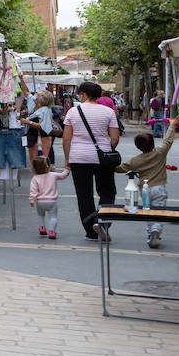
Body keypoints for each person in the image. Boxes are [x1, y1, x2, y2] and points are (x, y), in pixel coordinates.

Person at [62, 82, 121, 240]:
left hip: (78, 157)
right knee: (107, 191)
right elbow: (115, 139)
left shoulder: (73, 112)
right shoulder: (108, 112)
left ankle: (91, 230)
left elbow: (66, 138)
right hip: (103, 157)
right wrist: (105, 147)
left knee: (84, 195)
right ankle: (102, 222)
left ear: (82, 94)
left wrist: (68, 160)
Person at [115, 119, 178, 249]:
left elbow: (121, 168)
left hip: (145, 190)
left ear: (138, 147)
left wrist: (110, 165)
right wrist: (172, 126)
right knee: (159, 212)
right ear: (153, 143)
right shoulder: (160, 152)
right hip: (159, 188)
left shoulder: (136, 160)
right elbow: (168, 140)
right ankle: (156, 231)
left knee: (147, 211)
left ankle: (150, 234)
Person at [27, 156, 70, 240]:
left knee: (40, 215)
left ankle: (42, 228)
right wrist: (67, 169)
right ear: (48, 166)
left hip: (40, 202)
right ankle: (52, 232)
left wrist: (32, 200)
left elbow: (33, 191)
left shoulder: (35, 178)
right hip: (52, 201)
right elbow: (63, 175)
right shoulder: (53, 175)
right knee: (53, 217)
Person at [23, 90, 58, 164]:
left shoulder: (45, 110)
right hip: (33, 136)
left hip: (43, 137)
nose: (35, 95)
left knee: (41, 162)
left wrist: (28, 122)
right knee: (34, 161)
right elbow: (27, 93)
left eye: (37, 95)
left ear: (42, 98)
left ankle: (42, 174)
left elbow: (43, 126)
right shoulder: (36, 107)